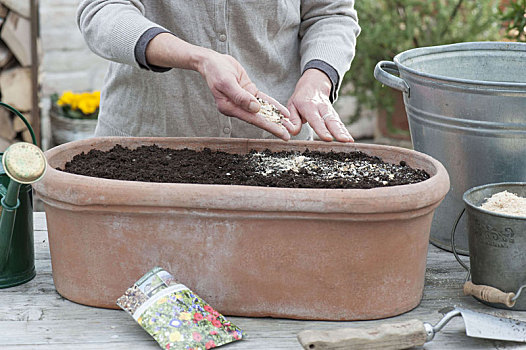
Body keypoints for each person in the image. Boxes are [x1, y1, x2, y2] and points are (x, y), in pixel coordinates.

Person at [77, 1, 360, 142]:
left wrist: (317, 78)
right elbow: (102, 10)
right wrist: (198, 58)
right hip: (144, 147)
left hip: (276, 148)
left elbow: (329, 13)